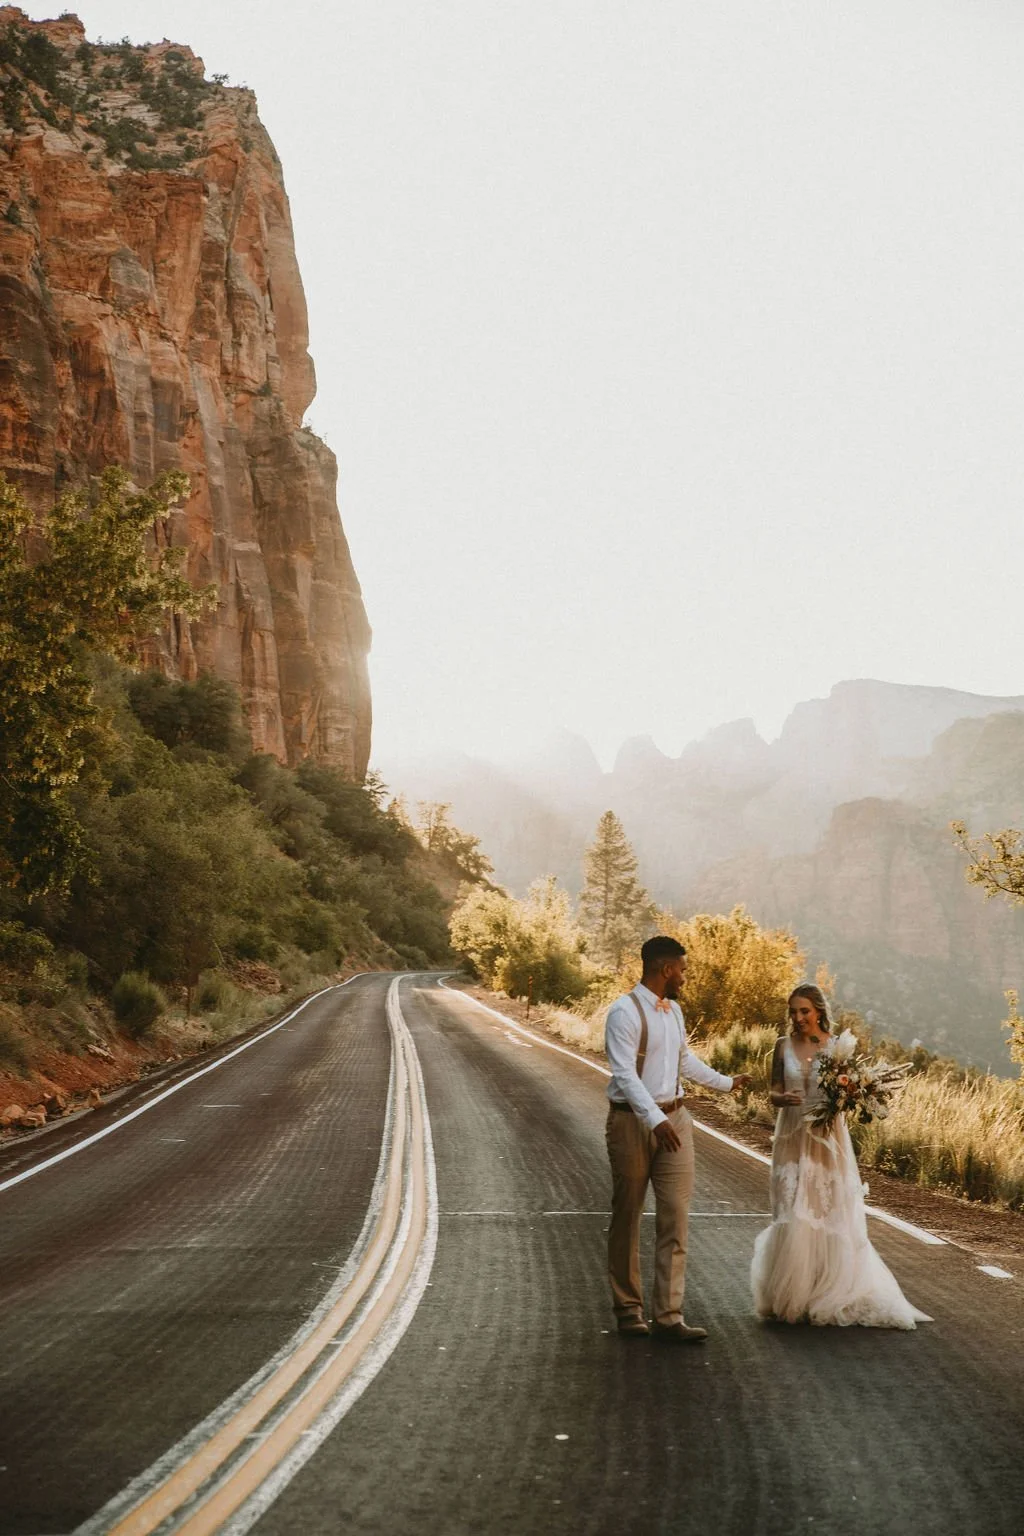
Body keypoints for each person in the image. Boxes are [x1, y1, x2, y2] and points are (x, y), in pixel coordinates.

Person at [750, 983, 931, 1329]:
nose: (798, 1018)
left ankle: (823, 1292)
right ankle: (790, 1294)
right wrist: (781, 1098)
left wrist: (845, 1098)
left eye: (804, 1011)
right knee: (790, 1210)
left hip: (825, 1141)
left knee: (822, 1211)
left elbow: (849, 1094)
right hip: (789, 1136)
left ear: (818, 1011)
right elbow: (772, 1092)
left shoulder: (835, 1048)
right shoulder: (781, 1046)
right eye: (793, 1011)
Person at [604, 935, 752, 1342]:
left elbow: (684, 1061)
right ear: (665, 969)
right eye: (682, 970)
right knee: (628, 1215)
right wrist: (653, 1120)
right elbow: (624, 1076)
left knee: (675, 1215)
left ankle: (669, 1316)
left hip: (677, 1119)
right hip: (632, 1124)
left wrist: (726, 1083)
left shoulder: (676, 1012)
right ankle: (628, 1309)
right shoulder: (623, 1013)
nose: (685, 977)